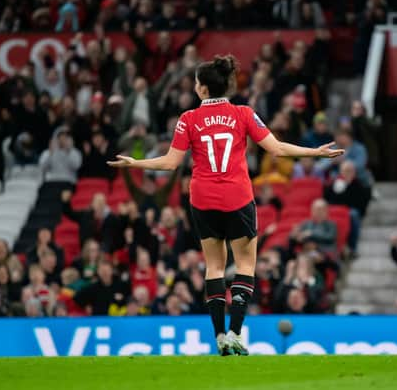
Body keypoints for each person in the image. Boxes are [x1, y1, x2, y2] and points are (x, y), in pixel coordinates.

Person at [108, 55, 344, 355]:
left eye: (196, 83)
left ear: (204, 89)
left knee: (215, 266)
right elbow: (277, 150)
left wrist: (135, 162)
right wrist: (315, 153)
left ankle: (219, 336)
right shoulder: (244, 113)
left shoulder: (188, 119)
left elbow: (170, 163)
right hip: (237, 196)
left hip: (203, 198)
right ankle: (234, 333)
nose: (194, 87)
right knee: (245, 264)